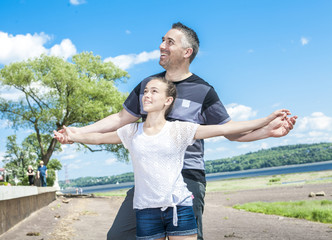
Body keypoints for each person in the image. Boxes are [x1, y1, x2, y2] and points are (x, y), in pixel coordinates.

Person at [55, 22, 297, 240]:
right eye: (162, 40)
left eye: (169, 42)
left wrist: (268, 131)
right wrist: (75, 132)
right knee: (119, 235)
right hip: (149, 179)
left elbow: (229, 131)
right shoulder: (148, 87)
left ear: (187, 51)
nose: (162, 45)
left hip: (187, 176)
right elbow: (120, 119)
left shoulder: (204, 91)